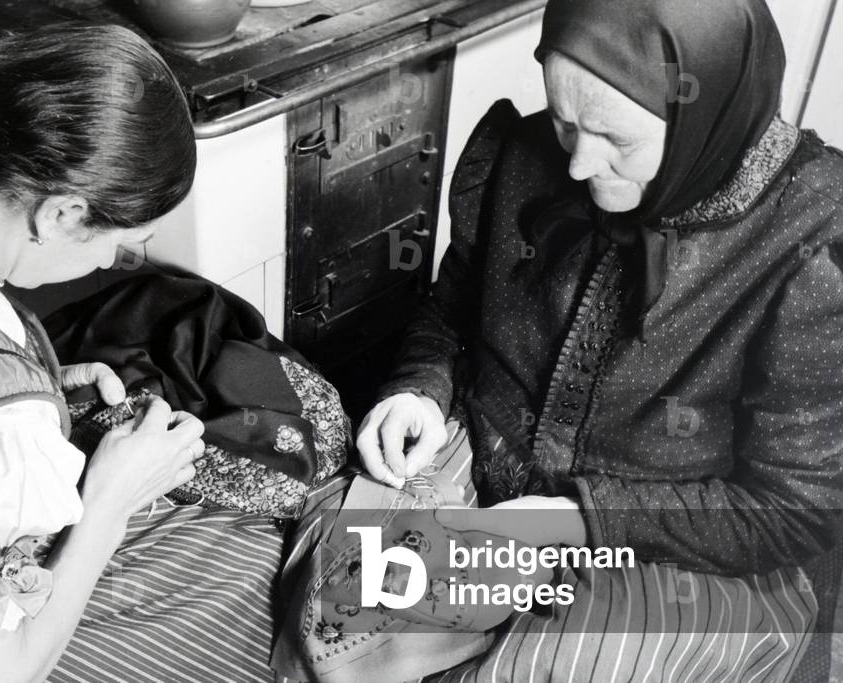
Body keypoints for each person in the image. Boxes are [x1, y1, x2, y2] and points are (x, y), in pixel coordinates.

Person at [356, 0, 843, 680]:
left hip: (668, 542)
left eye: (617, 140)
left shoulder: (810, 240)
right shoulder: (524, 155)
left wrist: (577, 519)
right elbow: (450, 308)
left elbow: (792, 510)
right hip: (485, 461)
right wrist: (419, 390)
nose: (580, 164)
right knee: (337, 613)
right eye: (563, 122)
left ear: (705, 117)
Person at [0, 23, 292, 683]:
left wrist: (31, 380)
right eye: (123, 241)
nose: (114, 259)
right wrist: (110, 499)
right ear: (62, 214)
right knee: (247, 575)